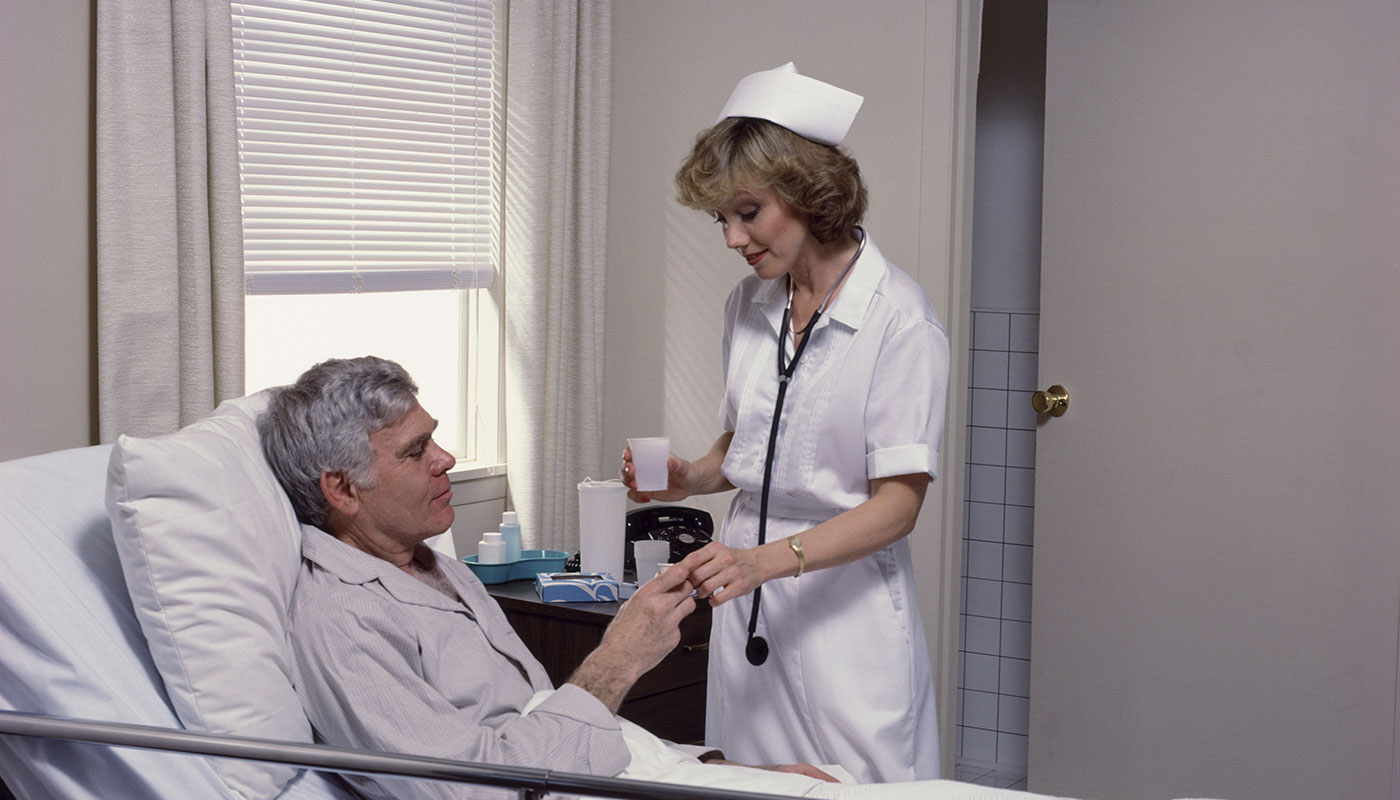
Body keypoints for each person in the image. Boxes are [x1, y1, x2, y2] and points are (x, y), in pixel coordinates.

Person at [257, 356, 842, 800]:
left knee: (833, 784)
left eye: (432, 437)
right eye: (415, 452)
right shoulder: (342, 618)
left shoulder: (438, 569)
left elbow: (544, 723)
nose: (446, 459)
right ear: (341, 489)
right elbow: (480, 789)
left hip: (626, 772)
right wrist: (617, 661)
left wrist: (714, 770)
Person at [621, 63, 949, 783]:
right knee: (750, 783)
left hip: (845, 613)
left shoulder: (900, 321)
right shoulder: (750, 305)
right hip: (751, 606)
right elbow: (747, 445)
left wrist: (763, 562)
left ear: (809, 193)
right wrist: (689, 476)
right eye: (722, 219)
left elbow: (898, 506)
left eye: (748, 213)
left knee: (859, 790)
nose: (734, 239)